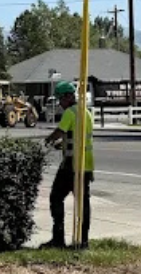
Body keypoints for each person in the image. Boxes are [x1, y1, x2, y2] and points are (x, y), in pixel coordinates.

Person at [42, 81, 94, 248]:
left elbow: (60, 132)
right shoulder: (86, 112)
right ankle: (83, 242)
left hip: (71, 165)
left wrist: (49, 139)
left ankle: (58, 239)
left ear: (67, 97)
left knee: (56, 197)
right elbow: (76, 137)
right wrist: (62, 145)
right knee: (83, 203)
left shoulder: (70, 113)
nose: (59, 103)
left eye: (60, 99)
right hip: (86, 165)